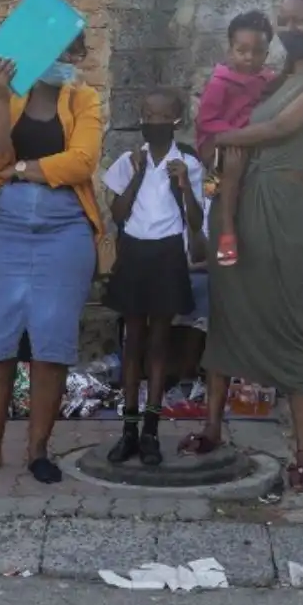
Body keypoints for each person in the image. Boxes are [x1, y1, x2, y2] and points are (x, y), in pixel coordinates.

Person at [185, 0, 303, 494]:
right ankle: (212, 428)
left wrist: (218, 140)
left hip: (280, 205)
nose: (290, 29)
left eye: (301, 21)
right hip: (236, 203)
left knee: (283, 319)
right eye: (285, 20)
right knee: (227, 313)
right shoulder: (272, 78)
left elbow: (280, 130)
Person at [0, 34, 102, 485]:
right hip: (2, 228)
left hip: (65, 228)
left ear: (78, 57)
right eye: (54, 49)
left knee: (51, 344)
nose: (63, 58)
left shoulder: (84, 97)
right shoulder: (5, 93)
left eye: (71, 52)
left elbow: (81, 163)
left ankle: (39, 451)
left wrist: (18, 169)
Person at [102, 88, 207, 467]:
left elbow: (196, 221)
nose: (153, 122)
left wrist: (183, 186)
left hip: (167, 253)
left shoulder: (189, 163)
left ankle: (151, 430)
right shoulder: (129, 160)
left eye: (161, 117)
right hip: (134, 250)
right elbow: (117, 213)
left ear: (177, 122)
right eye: (147, 114)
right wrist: (139, 173)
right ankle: (128, 428)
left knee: (160, 342)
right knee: (132, 341)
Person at [197, 10, 274, 266]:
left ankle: (212, 190)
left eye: (258, 51)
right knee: (232, 162)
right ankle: (227, 230)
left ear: (267, 53)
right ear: (230, 50)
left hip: (244, 140)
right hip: (216, 142)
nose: (249, 58)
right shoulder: (220, 83)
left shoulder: (267, 80)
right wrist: (235, 135)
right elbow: (206, 121)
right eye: (242, 50)